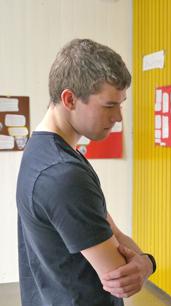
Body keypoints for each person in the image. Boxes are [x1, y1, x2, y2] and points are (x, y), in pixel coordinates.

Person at [16, 39, 156, 306]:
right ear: (69, 99)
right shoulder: (63, 174)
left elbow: (112, 230)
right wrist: (147, 263)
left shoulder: (43, 151)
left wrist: (144, 264)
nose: (118, 117)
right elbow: (121, 278)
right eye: (108, 105)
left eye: (121, 104)